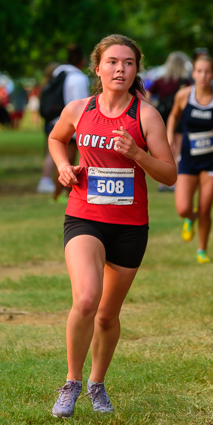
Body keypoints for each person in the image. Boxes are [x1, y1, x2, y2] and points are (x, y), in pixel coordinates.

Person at [48, 34, 176, 419]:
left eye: (129, 63)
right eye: (113, 62)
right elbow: (57, 138)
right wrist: (63, 167)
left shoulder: (145, 115)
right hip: (84, 215)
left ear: (136, 70)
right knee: (86, 299)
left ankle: (97, 382)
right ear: (98, 67)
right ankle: (71, 382)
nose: (120, 69)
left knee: (106, 314)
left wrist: (137, 154)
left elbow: (169, 173)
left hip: (130, 226)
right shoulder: (79, 108)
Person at [167, 55, 213, 263]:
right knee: (183, 208)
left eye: (208, 71)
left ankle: (202, 250)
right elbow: (173, 116)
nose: (203, 76)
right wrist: (170, 138)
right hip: (188, 159)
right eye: (200, 71)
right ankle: (190, 217)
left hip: (211, 162)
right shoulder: (184, 95)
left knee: (205, 208)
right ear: (193, 73)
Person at [147, 52, 192, 191]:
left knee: (164, 149)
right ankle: (175, 181)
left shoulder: (161, 80)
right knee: (178, 149)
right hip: (180, 117)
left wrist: (152, 107)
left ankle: (162, 182)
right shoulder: (186, 81)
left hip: (163, 117)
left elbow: (147, 94)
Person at [51, 44, 90, 202]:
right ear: (81, 60)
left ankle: (57, 193)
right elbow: (81, 104)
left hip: (53, 120)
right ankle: (63, 193)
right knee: (68, 161)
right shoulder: (79, 78)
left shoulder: (58, 73)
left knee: (59, 159)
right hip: (72, 123)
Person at [37, 63, 60, 194]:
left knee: (48, 151)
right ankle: (45, 180)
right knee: (52, 152)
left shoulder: (45, 87)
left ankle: (46, 179)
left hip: (47, 122)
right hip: (53, 122)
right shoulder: (54, 87)